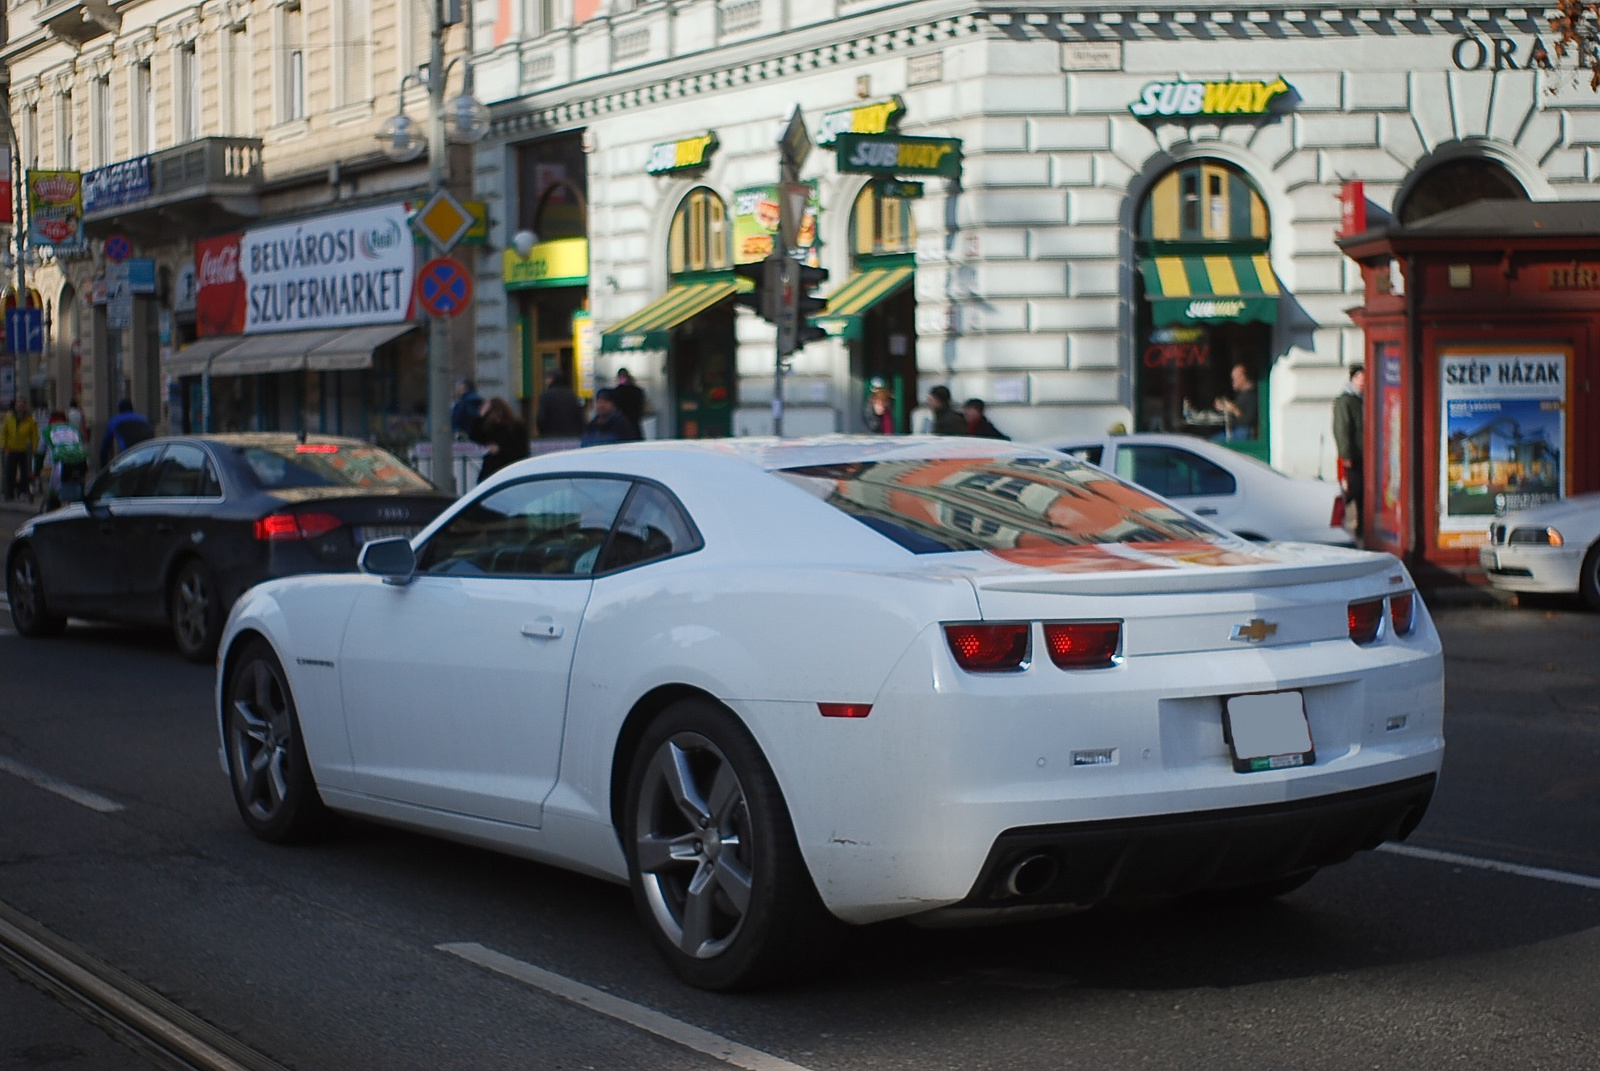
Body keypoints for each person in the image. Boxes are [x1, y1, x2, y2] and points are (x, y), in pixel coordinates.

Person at [1332, 363, 1366, 531]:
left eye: (1365, 378)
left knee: (1363, 492)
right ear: (1352, 379)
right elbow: (1342, 428)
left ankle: (1362, 525)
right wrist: (1346, 455)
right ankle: (1338, 519)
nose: (1362, 382)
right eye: (1359, 378)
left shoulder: (1363, 399)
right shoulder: (1346, 401)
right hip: (1354, 455)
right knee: (1353, 489)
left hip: (1365, 454)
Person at [467, 397, 531, 482]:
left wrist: (500, 450)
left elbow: (521, 450)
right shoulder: (490, 427)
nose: (494, 417)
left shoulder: (517, 427)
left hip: (509, 468)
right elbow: (474, 436)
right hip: (492, 470)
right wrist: (480, 416)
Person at [39, 410, 88, 510]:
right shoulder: (74, 429)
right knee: (79, 491)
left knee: (52, 494)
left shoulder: (48, 431)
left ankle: (51, 513)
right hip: (80, 464)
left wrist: (36, 470)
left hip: (58, 466)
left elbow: (40, 452)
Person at [2, 397, 39, 501]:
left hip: (24, 450)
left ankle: (22, 491)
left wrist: (35, 448)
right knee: (10, 472)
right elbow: (4, 432)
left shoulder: (30, 419)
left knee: (24, 472)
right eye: (18, 405)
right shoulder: (10, 418)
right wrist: (3, 446)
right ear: (15, 406)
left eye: (22, 405)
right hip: (12, 448)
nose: (20, 407)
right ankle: (9, 493)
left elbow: (35, 434)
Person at [100, 399, 154, 465]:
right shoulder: (143, 419)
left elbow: (105, 446)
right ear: (132, 408)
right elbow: (152, 435)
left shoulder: (115, 421)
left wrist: (103, 464)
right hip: (148, 454)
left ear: (119, 410)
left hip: (129, 454)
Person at [1213, 363, 1258, 441]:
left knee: (1211, 443)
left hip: (1244, 432)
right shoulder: (1242, 394)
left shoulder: (1252, 395)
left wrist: (1233, 409)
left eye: (1234, 378)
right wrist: (1224, 407)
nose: (1233, 382)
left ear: (1243, 377)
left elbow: (1246, 421)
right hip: (1235, 429)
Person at [536, 373, 585, 438]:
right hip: (572, 438)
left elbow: (541, 419)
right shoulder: (572, 396)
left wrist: (544, 434)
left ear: (551, 379)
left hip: (550, 438)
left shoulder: (546, 396)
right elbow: (580, 418)